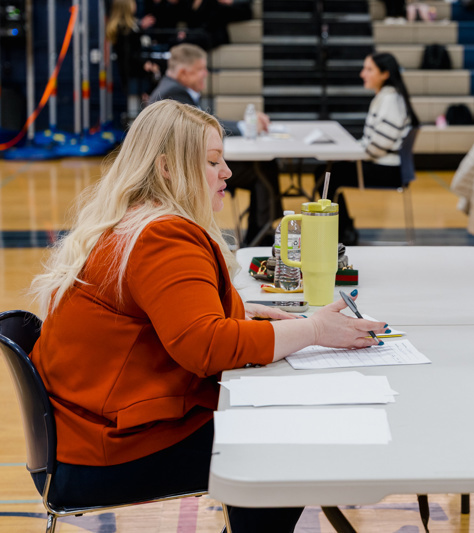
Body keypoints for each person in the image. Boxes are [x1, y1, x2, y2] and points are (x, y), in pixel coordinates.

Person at [27, 99, 387, 533]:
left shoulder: (130, 222)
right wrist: (314, 329)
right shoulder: (162, 235)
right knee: (285, 445)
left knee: (273, 432)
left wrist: (233, 310)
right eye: (214, 161)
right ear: (166, 168)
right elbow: (206, 347)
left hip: (80, 437)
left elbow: (170, 320)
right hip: (104, 452)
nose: (227, 173)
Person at [150, 43, 281, 245]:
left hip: (184, 163)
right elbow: (202, 128)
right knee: (262, 167)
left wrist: (244, 125)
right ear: (184, 73)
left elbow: (209, 121)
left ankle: (261, 230)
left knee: (263, 165)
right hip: (183, 169)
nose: (206, 74)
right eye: (201, 69)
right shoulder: (174, 95)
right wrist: (246, 126)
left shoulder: (174, 89)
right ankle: (261, 234)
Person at [313, 52, 419, 245]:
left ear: (385, 74)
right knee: (327, 172)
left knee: (327, 174)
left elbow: (378, 147)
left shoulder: (390, 100)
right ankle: (343, 230)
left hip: (389, 170)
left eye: (369, 69)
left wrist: (354, 155)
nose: (363, 74)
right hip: (384, 164)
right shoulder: (386, 97)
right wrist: (353, 152)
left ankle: (341, 233)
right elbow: (372, 142)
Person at [106, 0, 161, 104]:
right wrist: (145, 63)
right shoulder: (124, 30)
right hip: (133, 74)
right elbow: (131, 53)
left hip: (135, 74)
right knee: (135, 106)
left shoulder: (129, 28)